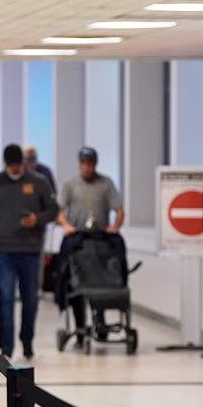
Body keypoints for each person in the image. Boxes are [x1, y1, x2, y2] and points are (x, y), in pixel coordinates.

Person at [0, 144, 57, 360]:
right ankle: (6, 345)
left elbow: (53, 210)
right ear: (6, 164)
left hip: (30, 250)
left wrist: (38, 219)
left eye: (19, 166)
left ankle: (27, 341)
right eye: (12, 166)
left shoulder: (38, 182)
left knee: (30, 299)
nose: (15, 170)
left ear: (23, 163)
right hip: (4, 249)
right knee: (6, 297)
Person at [56, 146, 124, 340]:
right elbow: (59, 210)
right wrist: (66, 225)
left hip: (100, 237)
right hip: (78, 237)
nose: (87, 167)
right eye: (83, 163)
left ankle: (101, 322)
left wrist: (115, 226)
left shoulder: (106, 183)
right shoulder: (70, 184)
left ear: (95, 164)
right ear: (79, 164)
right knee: (74, 278)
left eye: (90, 164)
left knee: (102, 277)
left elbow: (119, 209)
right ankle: (79, 328)